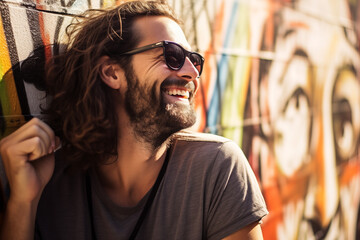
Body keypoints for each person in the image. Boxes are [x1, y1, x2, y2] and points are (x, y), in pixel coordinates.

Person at [0, 1, 268, 239]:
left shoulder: (216, 167)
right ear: (112, 72)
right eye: (172, 55)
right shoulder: (48, 181)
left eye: (194, 60)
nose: (191, 73)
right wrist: (24, 202)